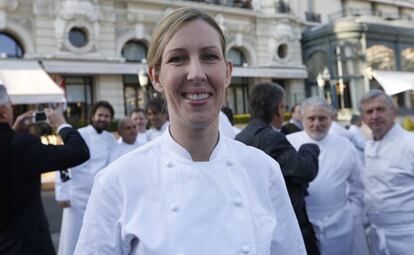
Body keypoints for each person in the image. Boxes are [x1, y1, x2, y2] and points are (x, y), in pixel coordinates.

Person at [74, 7, 305, 254]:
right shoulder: (116, 182)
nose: (196, 73)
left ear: (227, 72)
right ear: (156, 77)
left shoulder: (264, 170)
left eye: (209, 56)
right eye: (178, 58)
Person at [0, 84, 90, 255]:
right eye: (11, 107)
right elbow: (79, 152)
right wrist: (62, 124)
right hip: (28, 245)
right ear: (4, 112)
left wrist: (13, 132)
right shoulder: (21, 145)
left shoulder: (16, 143)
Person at [236, 83, 320, 255]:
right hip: (284, 225)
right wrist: (309, 148)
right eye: (284, 106)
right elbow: (306, 170)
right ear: (278, 109)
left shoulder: (240, 137)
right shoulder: (272, 138)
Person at [287, 97, 364, 255]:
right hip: (300, 225)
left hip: (340, 224)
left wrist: (350, 213)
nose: (317, 123)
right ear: (302, 119)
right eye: (311, 118)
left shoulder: (345, 146)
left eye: (322, 118)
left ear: (331, 120)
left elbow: (359, 186)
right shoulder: (288, 144)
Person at [56, 101, 117, 255]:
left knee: (94, 237)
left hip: (98, 196)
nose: (103, 119)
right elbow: (63, 162)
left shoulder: (110, 139)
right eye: (100, 115)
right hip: (75, 195)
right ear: (92, 117)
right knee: (72, 236)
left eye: (107, 116)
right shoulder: (79, 134)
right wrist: (62, 192)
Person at [360, 89, 414, 255]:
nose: (374, 116)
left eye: (380, 109)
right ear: (363, 118)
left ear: (393, 112)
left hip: (408, 236)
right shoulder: (368, 146)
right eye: (369, 111)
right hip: (378, 234)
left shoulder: (410, 144)